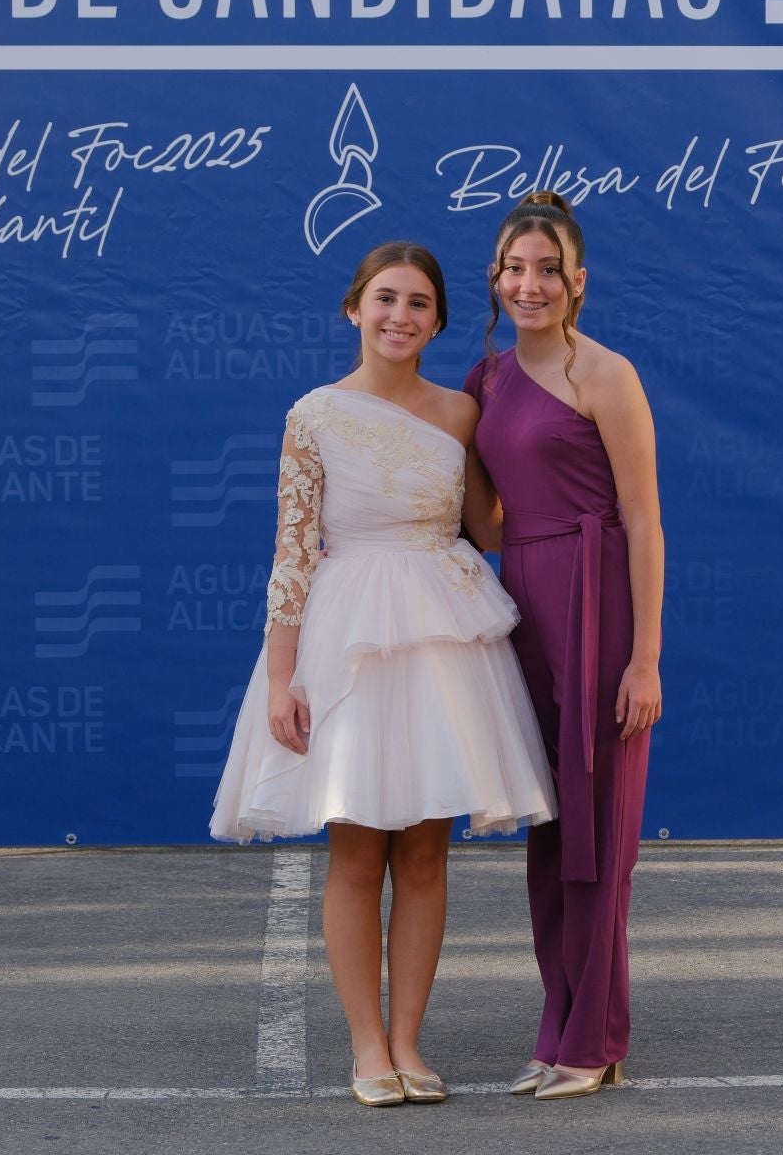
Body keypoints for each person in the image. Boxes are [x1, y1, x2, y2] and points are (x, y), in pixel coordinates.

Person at [211, 241, 555, 1108]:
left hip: (444, 633)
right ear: (354, 308)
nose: (400, 316)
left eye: (418, 304)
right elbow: (291, 553)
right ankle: (368, 1048)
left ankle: (410, 1043)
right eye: (385, 299)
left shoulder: (462, 413)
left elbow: (492, 525)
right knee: (358, 848)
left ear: (439, 320)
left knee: (429, 852)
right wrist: (285, 677)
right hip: (348, 635)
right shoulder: (314, 415)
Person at [462, 192, 664, 1101]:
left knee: (601, 834)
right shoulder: (486, 381)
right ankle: (559, 1028)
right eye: (515, 268)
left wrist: (645, 657)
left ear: (580, 283)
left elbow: (644, 518)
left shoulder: (607, 375)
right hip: (526, 613)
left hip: (600, 606)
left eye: (549, 270)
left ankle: (598, 1036)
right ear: (496, 279)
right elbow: (485, 521)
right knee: (550, 832)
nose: (530, 284)